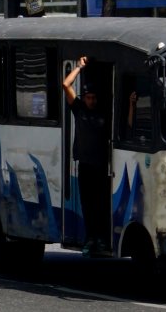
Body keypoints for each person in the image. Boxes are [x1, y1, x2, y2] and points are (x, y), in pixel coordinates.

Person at [62, 56, 110, 257]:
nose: (91, 100)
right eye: (88, 97)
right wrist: (79, 67)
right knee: (87, 204)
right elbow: (66, 84)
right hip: (84, 164)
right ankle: (90, 238)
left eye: (93, 98)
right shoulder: (79, 109)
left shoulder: (104, 114)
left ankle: (100, 238)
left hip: (100, 165)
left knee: (100, 203)